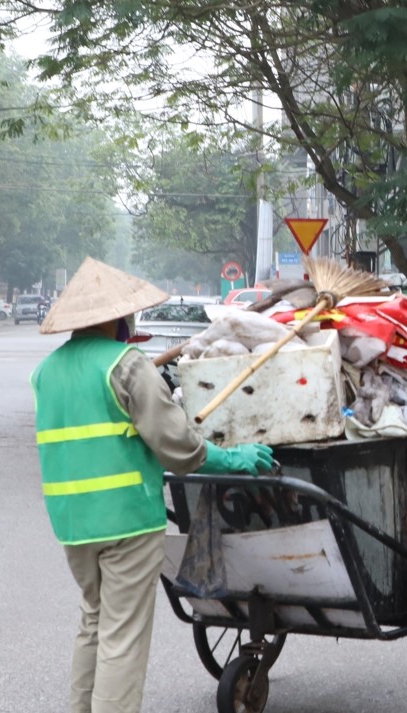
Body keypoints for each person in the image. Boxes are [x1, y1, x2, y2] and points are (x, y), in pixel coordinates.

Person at [30, 257, 272, 713]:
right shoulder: (125, 366)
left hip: (72, 524)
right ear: (116, 318)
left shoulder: (46, 372)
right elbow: (178, 445)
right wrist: (232, 458)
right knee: (122, 634)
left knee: (94, 622)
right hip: (125, 521)